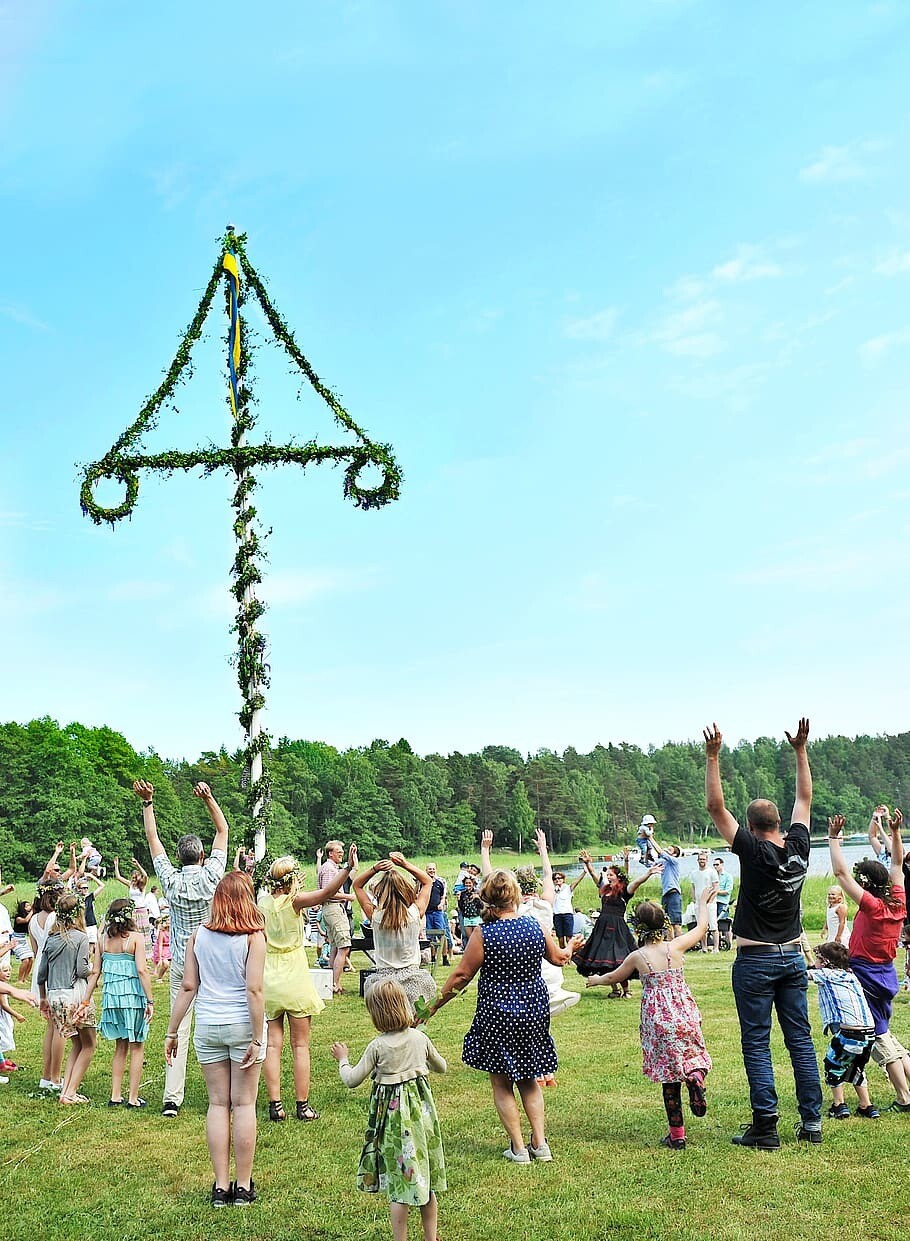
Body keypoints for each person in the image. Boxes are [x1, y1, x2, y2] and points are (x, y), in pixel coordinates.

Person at [704, 718, 823, 1148]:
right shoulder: (799, 848)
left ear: (752, 827)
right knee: (800, 1041)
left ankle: (766, 1127)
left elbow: (717, 809)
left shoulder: (751, 851)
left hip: (755, 960)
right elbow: (804, 799)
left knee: (757, 1043)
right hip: (792, 957)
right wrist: (800, 751)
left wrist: (713, 756)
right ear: (779, 825)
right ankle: (812, 1122)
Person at [423, 869, 579, 1164]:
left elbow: (461, 975)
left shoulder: (485, 933)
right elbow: (560, 957)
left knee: (502, 1081)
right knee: (530, 1079)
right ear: (516, 897)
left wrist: (432, 1007)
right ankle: (541, 1144)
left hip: (498, 1014)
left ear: (488, 899)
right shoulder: (533, 926)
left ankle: (519, 1149)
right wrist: (571, 945)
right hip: (534, 1012)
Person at [587, 884, 716, 1148]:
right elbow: (701, 928)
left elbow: (614, 976)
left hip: (658, 1021)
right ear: (663, 924)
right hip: (685, 1015)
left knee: (669, 1079)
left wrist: (596, 979)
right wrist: (702, 901)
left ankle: (677, 1136)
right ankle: (696, 1076)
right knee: (692, 1058)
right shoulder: (676, 946)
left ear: (638, 927)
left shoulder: (638, 956)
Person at [165, 872, 266, 1208]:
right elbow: (254, 990)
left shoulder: (198, 935)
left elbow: (188, 987)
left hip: (208, 1024)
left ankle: (221, 1186)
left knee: (218, 1104)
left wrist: (172, 1030)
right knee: (244, 1104)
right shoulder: (253, 937)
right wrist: (258, 1036)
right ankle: (243, 1185)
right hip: (241, 1024)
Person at [135, 777, 228, 1118]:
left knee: (180, 1028)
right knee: (219, 1021)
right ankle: (223, 1092)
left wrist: (148, 803)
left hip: (181, 963)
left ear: (178, 857)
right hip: (214, 960)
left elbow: (152, 839)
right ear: (202, 855)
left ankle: (172, 1098)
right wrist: (208, 798)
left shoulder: (170, 881)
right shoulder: (211, 876)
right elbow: (223, 831)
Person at [333, 979, 446, 1241]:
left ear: (377, 1015)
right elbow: (442, 1067)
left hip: (394, 1128)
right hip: (421, 1125)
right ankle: (431, 1238)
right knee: (424, 1183)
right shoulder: (420, 1038)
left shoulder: (378, 1046)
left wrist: (343, 1060)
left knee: (400, 1186)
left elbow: (352, 1080)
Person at [258, 846, 357, 1123]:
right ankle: (302, 1105)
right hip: (294, 972)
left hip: (269, 974)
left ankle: (275, 1105)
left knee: (273, 1045)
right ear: (291, 880)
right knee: (300, 1045)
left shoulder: (262, 903)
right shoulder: (295, 901)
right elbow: (327, 894)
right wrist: (347, 869)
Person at [828, 811, 910, 1111]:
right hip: (887, 974)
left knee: (878, 1039)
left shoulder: (874, 906)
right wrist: (896, 831)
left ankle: (904, 1097)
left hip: (867, 976)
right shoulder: (897, 901)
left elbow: (840, 874)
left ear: (866, 884)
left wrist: (834, 838)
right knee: (886, 1032)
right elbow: (898, 863)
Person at [483, 828, 581, 1022]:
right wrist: (543, 850)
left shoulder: (510, 910)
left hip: (520, 974)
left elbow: (489, 880)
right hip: (548, 971)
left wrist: (485, 850)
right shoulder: (544, 905)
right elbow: (547, 874)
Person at [78, 897, 154, 1108]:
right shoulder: (136, 938)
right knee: (137, 1046)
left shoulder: (102, 939)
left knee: (120, 1046)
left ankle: (115, 1095)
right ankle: (132, 1098)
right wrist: (150, 1000)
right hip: (133, 999)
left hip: (112, 1000)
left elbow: (94, 973)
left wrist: (85, 1001)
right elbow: (141, 970)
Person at [352, 853, 436, 1015]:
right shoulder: (415, 912)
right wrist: (404, 864)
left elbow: (357, 885)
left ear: (380, 892)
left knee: (388, 1026)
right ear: (405, 889)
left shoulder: (376, 916)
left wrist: (375, 869)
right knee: (414, 1026)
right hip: (412, 978)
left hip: (384, 981)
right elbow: (427, 881)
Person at [808, 940, 879, 1120]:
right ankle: (867, 1106)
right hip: (869, 1034)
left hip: (850, 1034)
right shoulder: (850, 975)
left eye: (817, 959)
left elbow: (801, 975)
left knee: (833, 1065)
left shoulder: (826, 974)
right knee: (856, 1068)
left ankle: (839, 1105)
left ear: (824, 962)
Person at [37, 893, 96, 1105]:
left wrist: (43, 997)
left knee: (76, 1044)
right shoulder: (80, 937)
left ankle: (66, 1091)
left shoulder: (51, 939)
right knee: (89, 1045)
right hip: (74, 995)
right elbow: (81, 970)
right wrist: (95, 970)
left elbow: (41, 973)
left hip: (54, 996)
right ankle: (70, 1092)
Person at [572, 851, 654, 996]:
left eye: (611, 875)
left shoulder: (624, 892)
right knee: (605, 960)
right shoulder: (605, 889)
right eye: (607, 875)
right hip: (602, 928)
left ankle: (626, 990)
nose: (608, 877)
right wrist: (587, 863)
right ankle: (615, 990)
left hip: (617, 929)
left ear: (618, 877)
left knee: (618, 959)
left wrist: (648, 873)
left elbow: (636, 882)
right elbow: (593, 875)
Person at [30, 879, 64, 1090]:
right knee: (58, 1026)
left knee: (51, 1027)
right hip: (55, 968)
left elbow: (35, 950)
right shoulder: (56, 917)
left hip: (39, 967)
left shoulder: (33, 919)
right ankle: (55, 1078)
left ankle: (46, 1075)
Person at [317, 840, 358, 995]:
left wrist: (352, 857)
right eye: (338, 851)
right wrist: (349, 896)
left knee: (335, 946)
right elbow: (329, 892)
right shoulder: (328, 869)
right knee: (344, 946)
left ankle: (329, 983)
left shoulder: (332, 868)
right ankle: (335, 984)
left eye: (342, 851)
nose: (341, 853)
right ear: (330, 853)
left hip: (331, 909)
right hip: (333, 909)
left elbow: (353, 869)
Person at [112, 856, 154, 957]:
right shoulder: (130, 884)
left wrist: (137, 864)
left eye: (136, 877)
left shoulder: (142, 886)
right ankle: (134, 952)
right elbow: (118, 877)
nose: (134, 878)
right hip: (133, 911)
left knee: (143, 932)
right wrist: (116, 865)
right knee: (134, 930)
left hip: (141, 911)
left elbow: (145, 875)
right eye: (133, 877)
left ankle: (145, 955)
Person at [652, 840, 684, 938]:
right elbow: (650, 863)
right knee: (667, 922)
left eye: (669, 850)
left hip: (674, 894)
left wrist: (651, 838)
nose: (666, 850)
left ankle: (681, 945)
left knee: (676, 923)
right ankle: (670, 945)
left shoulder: (674, 861)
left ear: (674, 854)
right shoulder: (663, 862)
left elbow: (661, 852)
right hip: (665, 894)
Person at [424, 862, 452, 966]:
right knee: (429, 936)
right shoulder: (423, 882)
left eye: (433, 869)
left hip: (437, 912)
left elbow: (443, 897)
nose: (431, 871)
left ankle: (444, 957)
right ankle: (433, 957)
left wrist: (441, 904)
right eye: (429, 869)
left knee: (442, 934)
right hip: (427, 912)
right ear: (426, 870)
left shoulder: (440, 882)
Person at [691, 851, 719, 952]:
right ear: (697, 860)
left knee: (713, 925)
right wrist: (694, 900)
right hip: (698, 904)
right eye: (700, 859)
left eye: (703, 859)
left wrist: (710, 901)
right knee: (701, 927)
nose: (702, 861)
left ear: (707, 860)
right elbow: (693, 887)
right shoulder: (694, 873)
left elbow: (716, 888)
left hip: (709, 903)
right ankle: (704, 947)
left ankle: (716, 948)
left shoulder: (712, 872)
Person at [552, 869, 584, 948]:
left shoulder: (568, 888)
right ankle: (563, 956)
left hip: (567, 915)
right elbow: (543, 884)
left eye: (559, 878)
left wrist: (585, 872)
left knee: (568, 938)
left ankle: (570, 955)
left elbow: (577, 881)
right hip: (557, 915)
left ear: (563, 879)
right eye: (555, 879)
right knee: (560, 939)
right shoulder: (553, 890)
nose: (557, 880)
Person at [11, 899, 34, 984]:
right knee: (25, 960)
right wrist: (32, 911)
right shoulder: (18, 917)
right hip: (16, 940)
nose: (29, 907)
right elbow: (25, 920)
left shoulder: (30, 916)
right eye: (27, 906)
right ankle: (20, 979)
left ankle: (25, 978)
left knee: (31, 959)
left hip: (23, 940)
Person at [713, 857, 734, 922]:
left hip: (723, 903)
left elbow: (727, 891)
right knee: (714, 925)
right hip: (713, 902)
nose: (715, 866)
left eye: (717, 864)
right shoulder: (713, 876)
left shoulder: (728, 876)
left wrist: (716, 892)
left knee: (724, 926)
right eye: (714, 865)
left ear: (722, 864)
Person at [153, 914, 172, 980]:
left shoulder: (173, 931)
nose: (169, 922)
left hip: (171, 949)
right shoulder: (162, 932)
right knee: (166, 964)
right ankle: (159, 977)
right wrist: (160, 957)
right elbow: (160, 945)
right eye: (167, 920)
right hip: (163, 949)